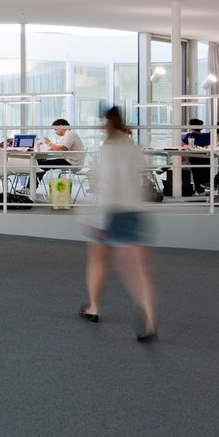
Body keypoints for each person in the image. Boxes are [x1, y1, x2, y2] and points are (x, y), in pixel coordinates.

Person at [78, 106, 158, 342]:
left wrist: (96, 220)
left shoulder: (108, 148)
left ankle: (94, 307)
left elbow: (108, 183)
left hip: (111, 212)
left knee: (97, 259)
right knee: (139, 272)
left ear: (107, 123)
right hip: (135, 210)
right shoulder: (132, 147)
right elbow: (140, 177)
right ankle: (151, 320)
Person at [178, 117, 212, 196]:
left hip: (195, 158)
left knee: (196, 174)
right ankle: (206, 188)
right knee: (206, 174)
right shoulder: (208, 135)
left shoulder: (190, 135)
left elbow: (182, 146)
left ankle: (199, 191)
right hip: (207, 158)